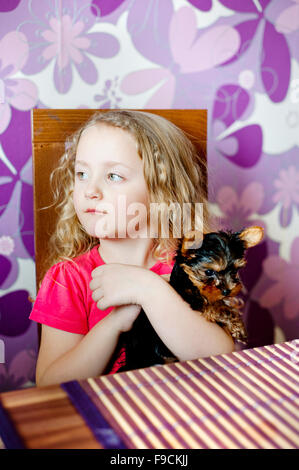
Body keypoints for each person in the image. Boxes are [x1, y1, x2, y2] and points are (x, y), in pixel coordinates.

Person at [29, 109, 234, 387]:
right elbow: (50, 384)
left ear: (162, 191)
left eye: (113, 176)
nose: (91, 190)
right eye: (81, 173)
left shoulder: (193, 267)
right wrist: (115, 323)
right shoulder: (68, 280)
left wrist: (149, 290)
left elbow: (222, 360)